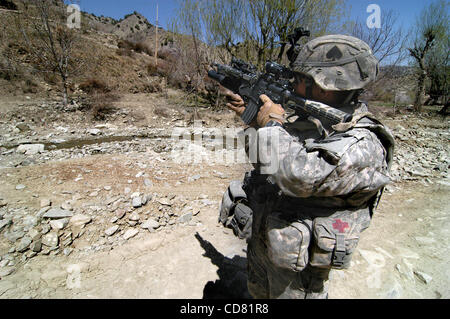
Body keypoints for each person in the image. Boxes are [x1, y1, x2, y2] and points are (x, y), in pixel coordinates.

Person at [218, 34, 395, 299]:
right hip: (268, 249)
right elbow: (268, 164)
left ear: (325, 86)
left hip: (297, 276)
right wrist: (255, 122)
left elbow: (297, 176)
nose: (293, 84)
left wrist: (271, 126)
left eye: (301, 80)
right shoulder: (312, 121)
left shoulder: (364, 143)